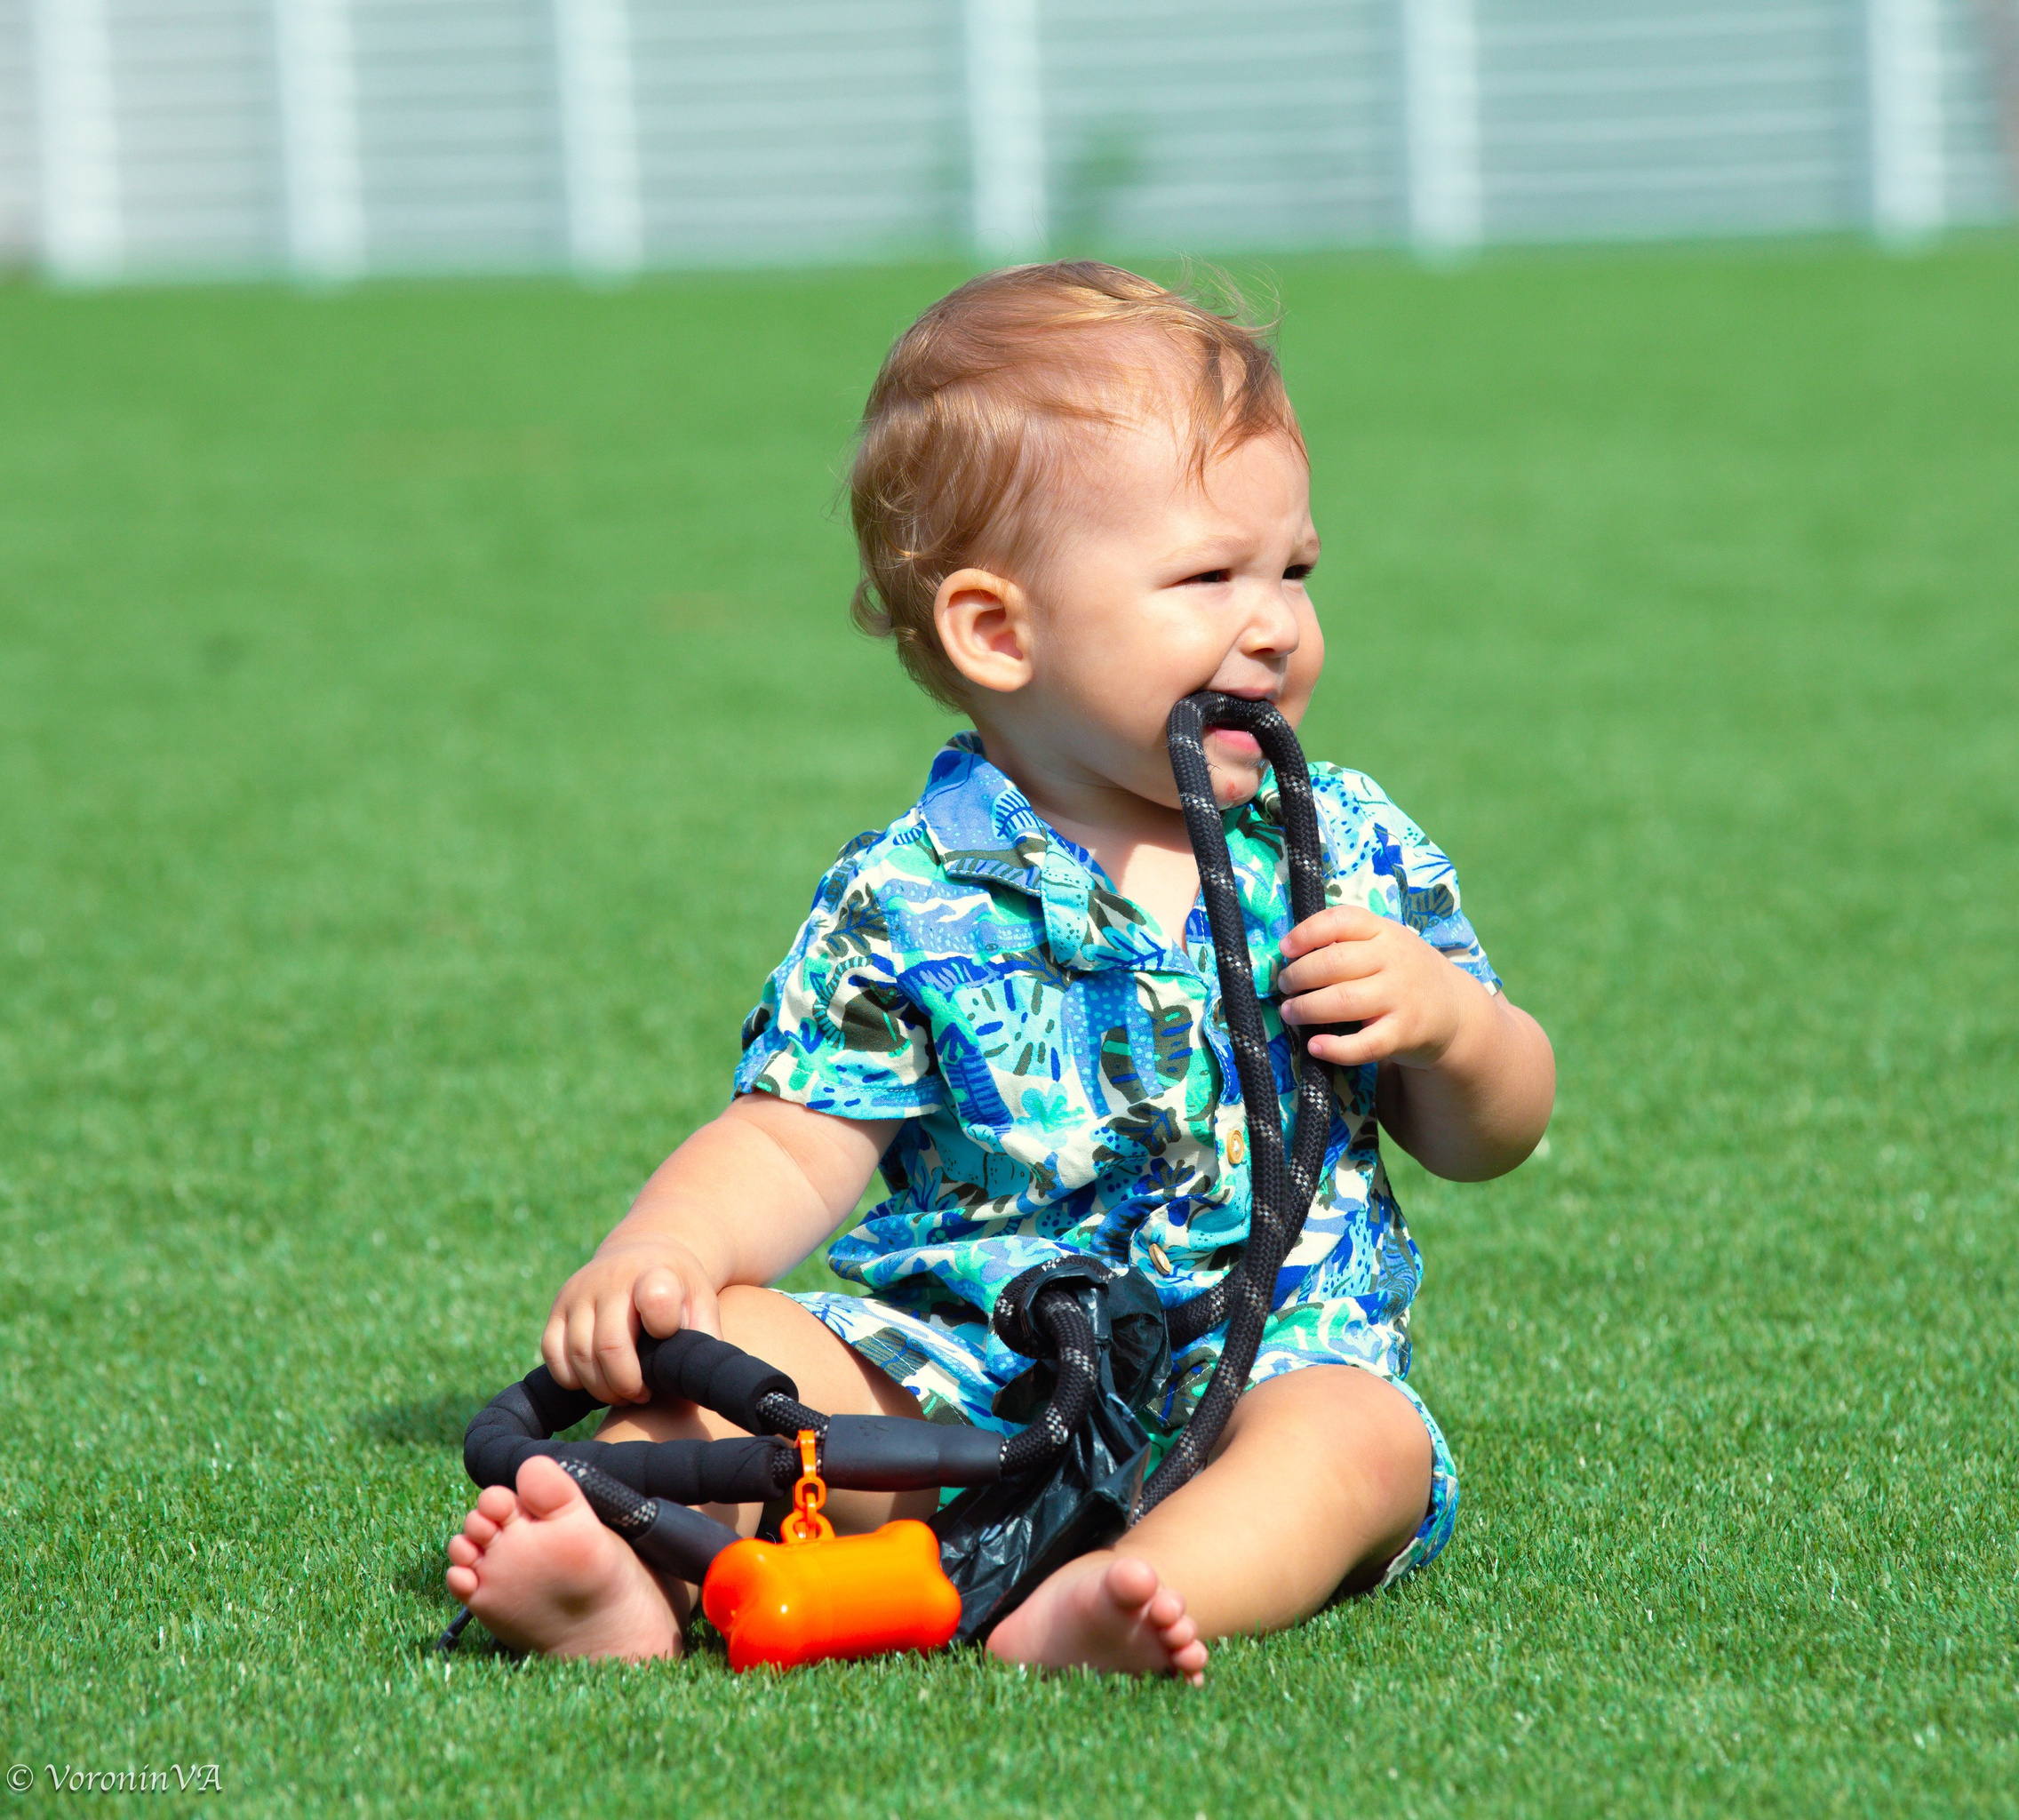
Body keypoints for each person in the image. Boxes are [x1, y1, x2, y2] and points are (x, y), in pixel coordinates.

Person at [444, 262, 1554, 1683]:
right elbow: (790, 1142)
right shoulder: (905, 892)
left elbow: (1498, 1129)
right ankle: (624, 1584)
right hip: (959, 1375)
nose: (1274, 619)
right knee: (741, 1349)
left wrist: (1453, 1029)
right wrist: (662, 1254)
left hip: (1260, 1369)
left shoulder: (1341, 847)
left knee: (1363, 1446)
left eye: (1295, 570)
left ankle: (1138, 1587)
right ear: (998, 631)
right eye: (1210, 576)